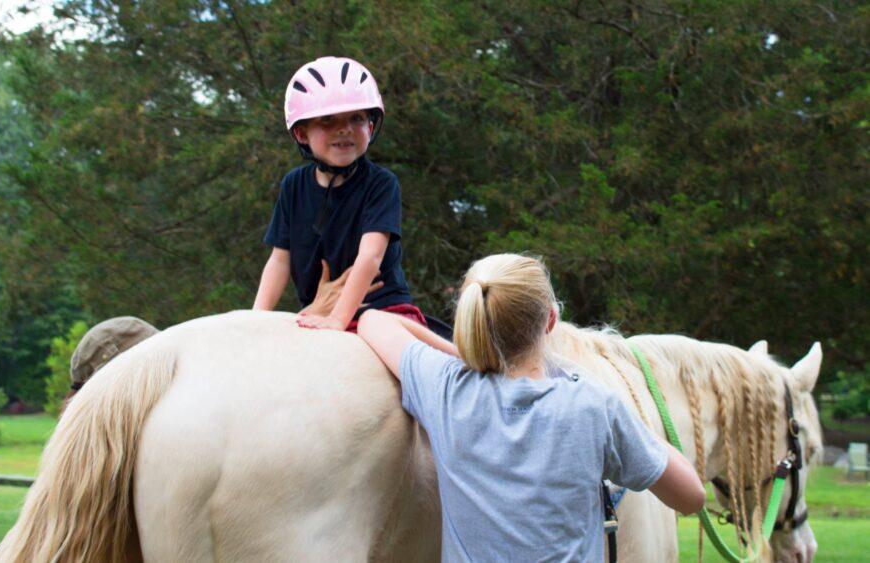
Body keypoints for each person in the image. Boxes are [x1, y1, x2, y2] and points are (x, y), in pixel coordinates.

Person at [357, 254, 705, 562]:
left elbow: (375, 321)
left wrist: (463, 357)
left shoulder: (447, 388)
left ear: (473, 319)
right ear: (551, 321)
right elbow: (691, 497)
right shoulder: (594, 405)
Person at [253, 56, 425, 333]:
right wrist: (256, 318)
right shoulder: (293, 185)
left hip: (380, 311)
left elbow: (370, 256)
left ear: (370, 126)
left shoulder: (381, 184)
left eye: (356, 118)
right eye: (328, 120)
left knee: (392, 341)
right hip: (319, 313)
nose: (344, 128)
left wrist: (337, 319)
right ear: (301, 133)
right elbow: (279, 259)